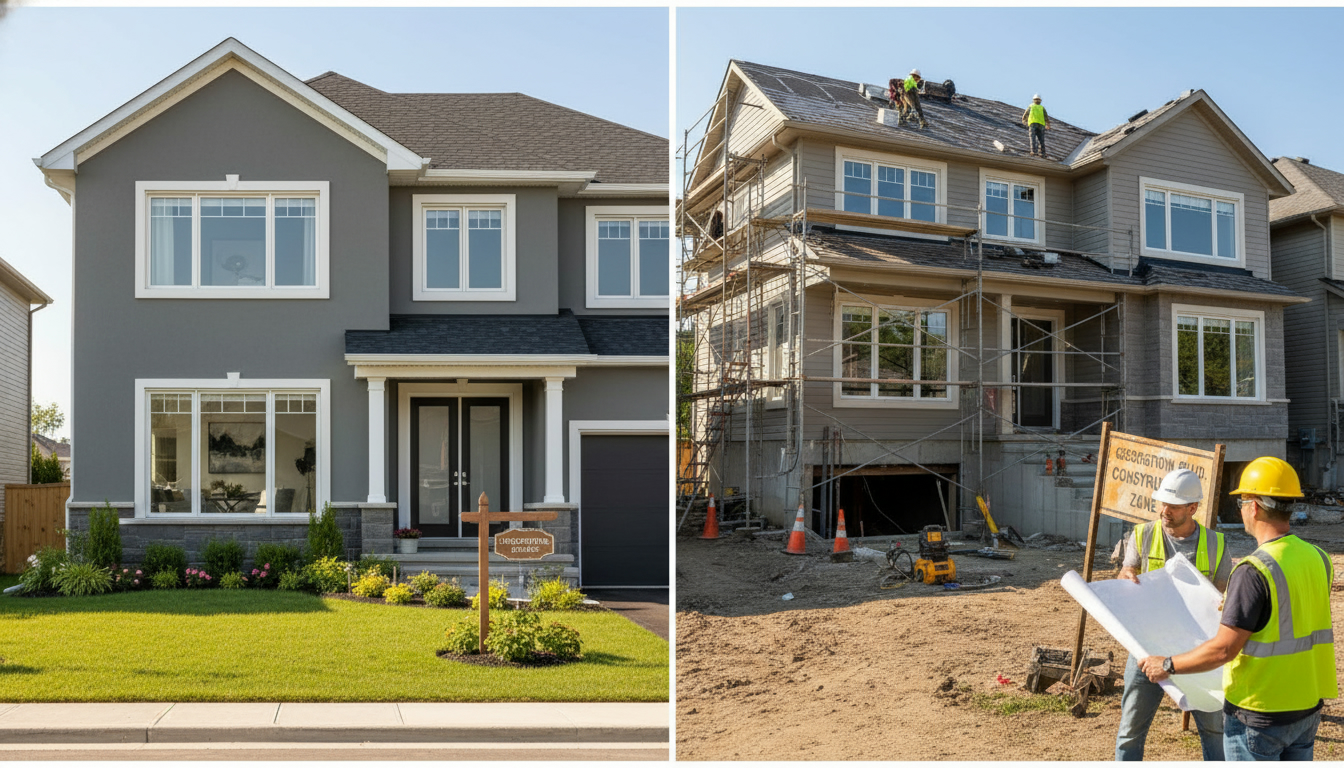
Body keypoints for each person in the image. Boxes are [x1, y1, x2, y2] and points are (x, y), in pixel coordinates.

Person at [1138, 457, 1337, 761]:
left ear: (1254, 506)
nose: (1242, 508)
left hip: (1258, 715)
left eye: (1243, 500)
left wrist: (1166, 665)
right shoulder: (1319, 558)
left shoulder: (1253, 570)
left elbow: (1223, 651)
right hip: (1306, 709)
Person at [1114, 468, 1230, 761]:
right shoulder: (1142, 534)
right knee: (1130, 730)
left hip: (1198, 651)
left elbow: (1222, 600)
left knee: (1215, 730)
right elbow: (1127, 570)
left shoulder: (1216, 544)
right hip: (1147, 648)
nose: (1165, 511)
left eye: (1174, 506)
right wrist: (1126, 574)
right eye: (1162, 503)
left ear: (1192, 508)